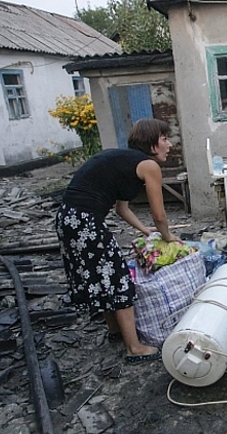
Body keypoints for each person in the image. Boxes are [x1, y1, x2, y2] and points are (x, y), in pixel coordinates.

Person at [55, 118, 179, 364]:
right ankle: (134, 347)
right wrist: (168, 237)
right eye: (165, 139)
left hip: (67, 218)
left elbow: (121, 209)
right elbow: (159, 214)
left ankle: (115, 331)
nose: (170, 145)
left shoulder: (123, 160)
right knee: (119, 278)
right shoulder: (148, 165)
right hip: (85, 221)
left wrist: (146, 232)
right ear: (152, 144)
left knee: (100, 275)